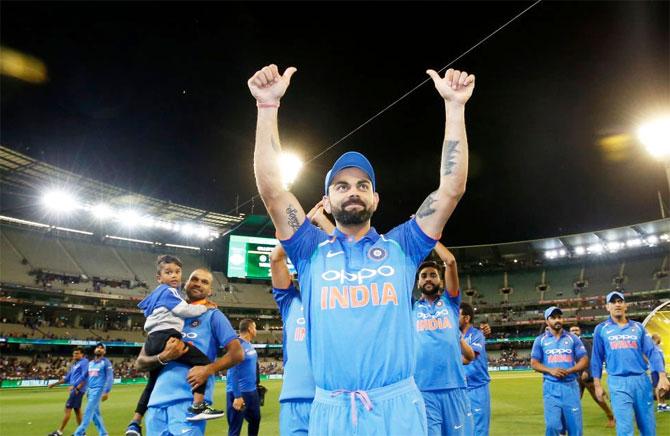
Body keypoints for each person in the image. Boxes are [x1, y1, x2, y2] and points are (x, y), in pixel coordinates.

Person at [248, 62, 472, 434]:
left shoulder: (402, 246)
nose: (352, 190)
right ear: (327, 200)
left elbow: (451, 190)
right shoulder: (308, 249)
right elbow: (272, 190)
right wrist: (267, 107)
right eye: (341, 185)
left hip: (397, 408)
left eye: (362, 184)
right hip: (331, 409)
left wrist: (455, 107)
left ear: (376, 199)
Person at [135, 268, 244, 436]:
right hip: (156, 403)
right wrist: (163, 357)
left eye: (205, 282)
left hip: (189, 403)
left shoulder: (213, 315)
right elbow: (140, 363)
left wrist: (208, 369)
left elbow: (237, 353)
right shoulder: (166, 314)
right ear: (186, 284)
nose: (198, 284)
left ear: (210, 291)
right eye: (195, 279)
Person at [271, 202, 333, 436]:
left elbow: (349, 250)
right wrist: (305, 223)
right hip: (293, 400)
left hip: (330, 398)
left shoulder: (336, 298)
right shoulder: (290, 302)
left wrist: (323, 220)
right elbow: (276, 258)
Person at [413, 243, 474, 435]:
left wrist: (429, 239)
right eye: (423, 276)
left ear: (440, 280)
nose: (428, 279)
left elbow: (450, 261)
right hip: (423, 388)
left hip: (454, 386)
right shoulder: (411, 307)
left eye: (433, 275)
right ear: (417, 283)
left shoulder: (450, 303)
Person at [591, 291, 670, 436]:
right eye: (613, 302)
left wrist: (662, 376)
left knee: (648, 427)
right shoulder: (601, 329)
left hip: (641, 381)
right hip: (617, 382)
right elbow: (596, 358)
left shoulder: (638, 327)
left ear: (625, 305)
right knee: (624, 427)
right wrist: (597, 385)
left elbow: (652, 352)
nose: (617, 304)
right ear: (607, 307)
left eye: (620, 301)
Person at [530, 307, 588, 436]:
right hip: (551, 388)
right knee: (553, 426)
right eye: (553, 317)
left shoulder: (573, 338)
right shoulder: (540, 340)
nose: (557, 320)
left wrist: (570, 370)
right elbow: (534, 363)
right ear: (547, 321)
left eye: (559, 317)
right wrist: (550, 370)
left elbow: (584, 359)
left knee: (575, 428)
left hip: (571, 387)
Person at [568, 325, 615, 427]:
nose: (574, 332)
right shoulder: (567, 344)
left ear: (580, 331)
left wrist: (586, 371)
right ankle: (570, 423)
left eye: (576, 330)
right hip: (575, 377)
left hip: (587, 376)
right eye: (572, 330)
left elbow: (590, 357)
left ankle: (611, 417)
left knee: (598, 398)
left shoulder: (585, 342)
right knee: (574, 400)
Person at [460, 302, 491, 436]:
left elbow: (470, 357)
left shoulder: (477, 335)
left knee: (479, 430)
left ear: (466, 318)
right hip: (460, 389)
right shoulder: (453, 335)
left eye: (456, 315)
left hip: (477, 389)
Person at [227, 319, 260, 436]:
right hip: (239, 393)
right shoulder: (237, 344)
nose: (256, 330)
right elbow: (232, 371)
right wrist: (237, 395)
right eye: (255, 328)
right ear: (250, 329)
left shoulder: (249, 345)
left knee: (255, 420)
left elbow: (253, 366)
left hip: (252, 392)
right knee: (235, 429)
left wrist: (257, 384)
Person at [73, 343, 114, 436]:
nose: (99, 349)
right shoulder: (90, 363)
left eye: (102, 348)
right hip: (89, 391)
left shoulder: (106, 362)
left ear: (105, 351)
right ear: (94, 350)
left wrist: (106, 391)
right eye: (97, 347)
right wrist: (76, 386)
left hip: (98, 390)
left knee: (88, 411)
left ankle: (78, 433)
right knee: (95, 414)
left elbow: (110, 378)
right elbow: (84, 376)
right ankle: (103, 433)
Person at [47, 347, 89, 436]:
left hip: (77, 390)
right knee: (77, 411)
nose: (75, 355)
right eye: (74, 353)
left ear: (82, 354)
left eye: (77, 353)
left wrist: (77, 388)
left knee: (67, 409)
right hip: (76, 390)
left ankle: (59, 432)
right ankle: (82, 432)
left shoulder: (84, 362)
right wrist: (54, 384)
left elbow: (85, 375)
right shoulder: (75, 365)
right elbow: (67, 379)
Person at [651, 333, 669, 412]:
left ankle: (663, 405)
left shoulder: (658, 348)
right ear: (656, 339)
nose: (660, 340)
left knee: (663, 387)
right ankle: (659, 405)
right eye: (659, 338)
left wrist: (663, 371)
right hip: (655, 370)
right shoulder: (652, 348)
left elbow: (661, 360)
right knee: (657, 387)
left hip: (661, 370)